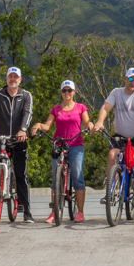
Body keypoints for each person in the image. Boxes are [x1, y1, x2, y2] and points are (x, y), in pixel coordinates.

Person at [90, 67, 134, 223]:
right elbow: (106, 107)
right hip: (120, 136)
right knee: (112, 155)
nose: (132, 83)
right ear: (125, 78)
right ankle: (111, 189)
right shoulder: (116, 92)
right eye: (130, 79)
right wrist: (99, 122)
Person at [0, 67, 34, 223]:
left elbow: (27, 113)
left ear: (20, 80)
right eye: (10, 76)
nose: (13, 79)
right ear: (6, 78)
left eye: (16, 77)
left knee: (20, 174)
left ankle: (26, 210)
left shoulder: (25, 95)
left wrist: (23, 130)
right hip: (0, 139)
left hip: (18, 140)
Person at [31, 80, 90, 224]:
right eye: (64, 90)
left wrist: (91, 126)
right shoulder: (56, 109)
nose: (67, 93)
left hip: (75, 144)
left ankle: (80, 213)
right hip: (59, 144)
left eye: (70, 90)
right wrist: (39, 124)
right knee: (55, 179)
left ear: (74, 92)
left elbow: (87, 122)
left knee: (78, 177)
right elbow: (47, 126)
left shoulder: (81, 107)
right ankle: (54, 211)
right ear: (61, 92)